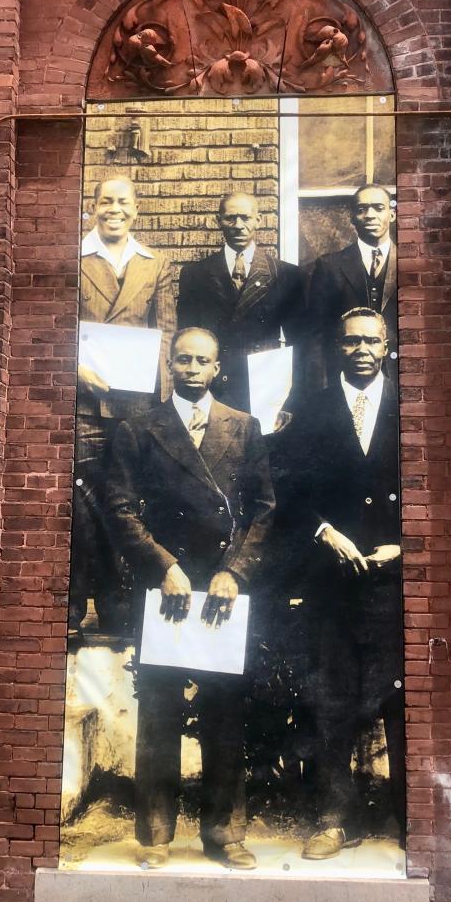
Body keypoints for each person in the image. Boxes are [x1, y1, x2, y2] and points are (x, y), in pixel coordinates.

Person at [105, 327, 275, 870]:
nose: (193, 369)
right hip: (167, 589)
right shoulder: (139, 429)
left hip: (222, 588)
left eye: (203, 360)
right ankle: (155, 835)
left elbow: (263, 512)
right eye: (183, 360)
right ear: (170, 366)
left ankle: (225, 832)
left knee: (226, 709)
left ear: (218, 368)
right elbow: (120, 510)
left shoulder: (244, 428)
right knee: (159, 711)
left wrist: (235, 572)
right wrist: (165, 565)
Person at [283, 307, 404, 859]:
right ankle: (334, 816)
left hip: (393, 577)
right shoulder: (311, 409)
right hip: (332, 578)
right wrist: (326, 532)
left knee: (397, 698)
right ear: (337, 347)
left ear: (386, 346)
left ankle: (409, 814)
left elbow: (436, 483)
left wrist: (406, 544)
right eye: (350, 340)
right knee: (331, 698)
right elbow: (289, 490)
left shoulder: (409, 401)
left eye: (370, 341)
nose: (360, 349)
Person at [70, 176, 175, 638]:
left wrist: (165, 407)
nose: (114, 209)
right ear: (92, 207)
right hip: (85, 406)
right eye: (105, 201)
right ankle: (71, 610)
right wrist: (76, 370)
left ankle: (121, 610)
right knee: (80, 504)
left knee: (127, 505)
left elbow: (166, 334)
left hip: (136, 408)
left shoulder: (155, 264)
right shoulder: (73, 259)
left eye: (123, 202)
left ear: (137, 209)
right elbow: (55, 326)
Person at [176, 191, 306, 415]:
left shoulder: (285, 274)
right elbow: (186, 336)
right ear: (219, 221)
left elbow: (300, 343)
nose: (238, 225)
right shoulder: (195, 274)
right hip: (214, 383)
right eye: (230, 218)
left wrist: (293, 396)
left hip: (265, 383)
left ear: (258, 220)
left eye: (245, 218)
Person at [307, 184, 397, 383]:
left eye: (378, 208)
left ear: (392, 214)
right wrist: (321, 387)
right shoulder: (330, 266)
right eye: (361, 209)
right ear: (352, 218)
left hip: (401, 379)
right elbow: (317, 335)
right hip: (346, 378)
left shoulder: (409, 263)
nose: (370, 215)